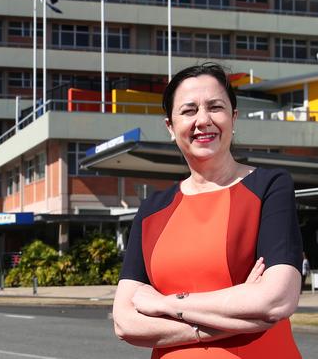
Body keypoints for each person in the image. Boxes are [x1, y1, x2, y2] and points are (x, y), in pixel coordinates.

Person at [112, 63, 303, 358]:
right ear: (170, 127)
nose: (203, 120)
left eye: (215, 107)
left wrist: (167, 304)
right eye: (189, 110)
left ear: (233, 117)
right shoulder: (152, 209)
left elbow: (276, 300)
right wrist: (232, 321)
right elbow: (126, 322)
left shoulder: (269, 187)